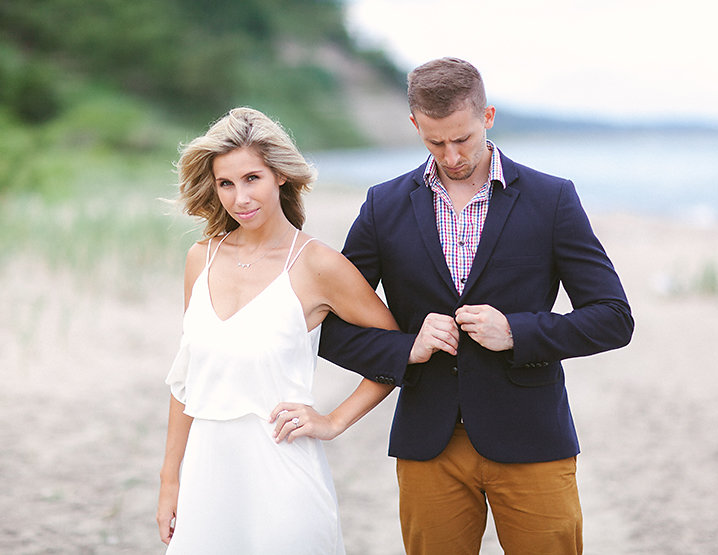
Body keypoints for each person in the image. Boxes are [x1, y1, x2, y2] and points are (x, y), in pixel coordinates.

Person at [318, 57, 635, 554]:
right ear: (414, 124)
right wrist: (408, 348)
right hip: (428, 443)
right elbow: (331, 328)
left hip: (532, 438)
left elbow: (614, 318)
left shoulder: (552, 199)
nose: (450, 155)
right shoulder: (383, 205)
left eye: (462, 139)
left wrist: (519, 332)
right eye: (434, 141)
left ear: (487, 117)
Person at [155, 107, 399, 554]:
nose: (240, 198)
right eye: (226, 183)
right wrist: (170, 479)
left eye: (252, 179)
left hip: (284, 478)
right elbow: (186, 379)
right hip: (206, 477)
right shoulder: (200, 258)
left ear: (280, 176)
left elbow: (397, 352)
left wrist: (333, 420)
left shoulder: (317, 264)